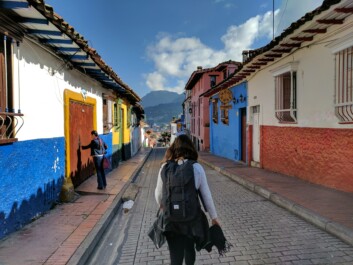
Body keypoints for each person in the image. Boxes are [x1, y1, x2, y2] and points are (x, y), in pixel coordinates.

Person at [155, 134, 220, 265]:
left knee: (175, 256)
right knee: (189, 249)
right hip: (191, 219)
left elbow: (158, 194)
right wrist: (214, 217)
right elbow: (206, 196)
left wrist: (162, 206)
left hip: (171, 220)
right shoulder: (196, 168)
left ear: (173, 148)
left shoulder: (164, 167)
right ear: (191, 148)